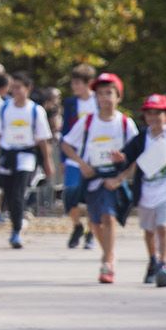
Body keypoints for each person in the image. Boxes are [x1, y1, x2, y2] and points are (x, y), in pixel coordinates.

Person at [108, 94, 166, 288]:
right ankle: (152, 260)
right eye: (150, 113)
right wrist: (119, 159)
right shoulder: (142, 138)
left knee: (164, 228)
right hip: (146, 191)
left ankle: (163, 266)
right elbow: (128, 156)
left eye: (158, 113)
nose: (154, 117)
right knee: (148, 230)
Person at [61, 73, 137, 284]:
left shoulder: (125, 123)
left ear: (118, 96)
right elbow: (66, 143)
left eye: (109, 93)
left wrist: (121, 175)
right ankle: (109, 253)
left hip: (112, 178)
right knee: (95, 222)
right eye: (100, 94)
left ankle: (107, 261)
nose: (104, 98)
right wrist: (81, 164)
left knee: (108, 217)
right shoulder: (88, 122)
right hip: (92, 177)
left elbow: (136, 154)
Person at [0, 72, 54, 249]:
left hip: (26, 156)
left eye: (19, 87)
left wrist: (47, 162)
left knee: (18, 193)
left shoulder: (35, 110)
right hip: (7, 155)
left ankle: (16, 231)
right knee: (8, 194)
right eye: (13, 87)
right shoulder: (3, 108)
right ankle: (18, 220)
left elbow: (42, 139)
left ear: (28, 89)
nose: (15, 91)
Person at [61, 64, 97, 249]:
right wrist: (62, 158)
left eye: (77, 83)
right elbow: (65, 131)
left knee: (91, 196)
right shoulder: (70, 104)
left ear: (89, 83)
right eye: (73, 83)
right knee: (70, 194)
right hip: (74, 155)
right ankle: (77, 226)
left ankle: (91, 232)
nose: (74, 87)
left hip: (93, 155)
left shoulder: (98, 101)